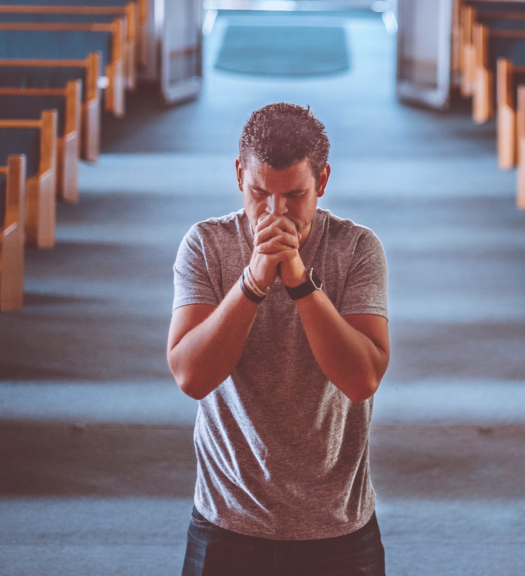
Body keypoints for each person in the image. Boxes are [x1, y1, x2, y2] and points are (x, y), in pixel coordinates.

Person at [167, 102, 391, 576]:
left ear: (323, 182)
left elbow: (362, 379)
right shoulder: (206, 245)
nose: (275, 214)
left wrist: (299, 282)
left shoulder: (356, 249)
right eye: (259, 193)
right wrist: (252, 281)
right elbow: (192, 376)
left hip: (338, 527)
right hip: (227, 519)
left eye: (294, 195)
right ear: (238, 176)